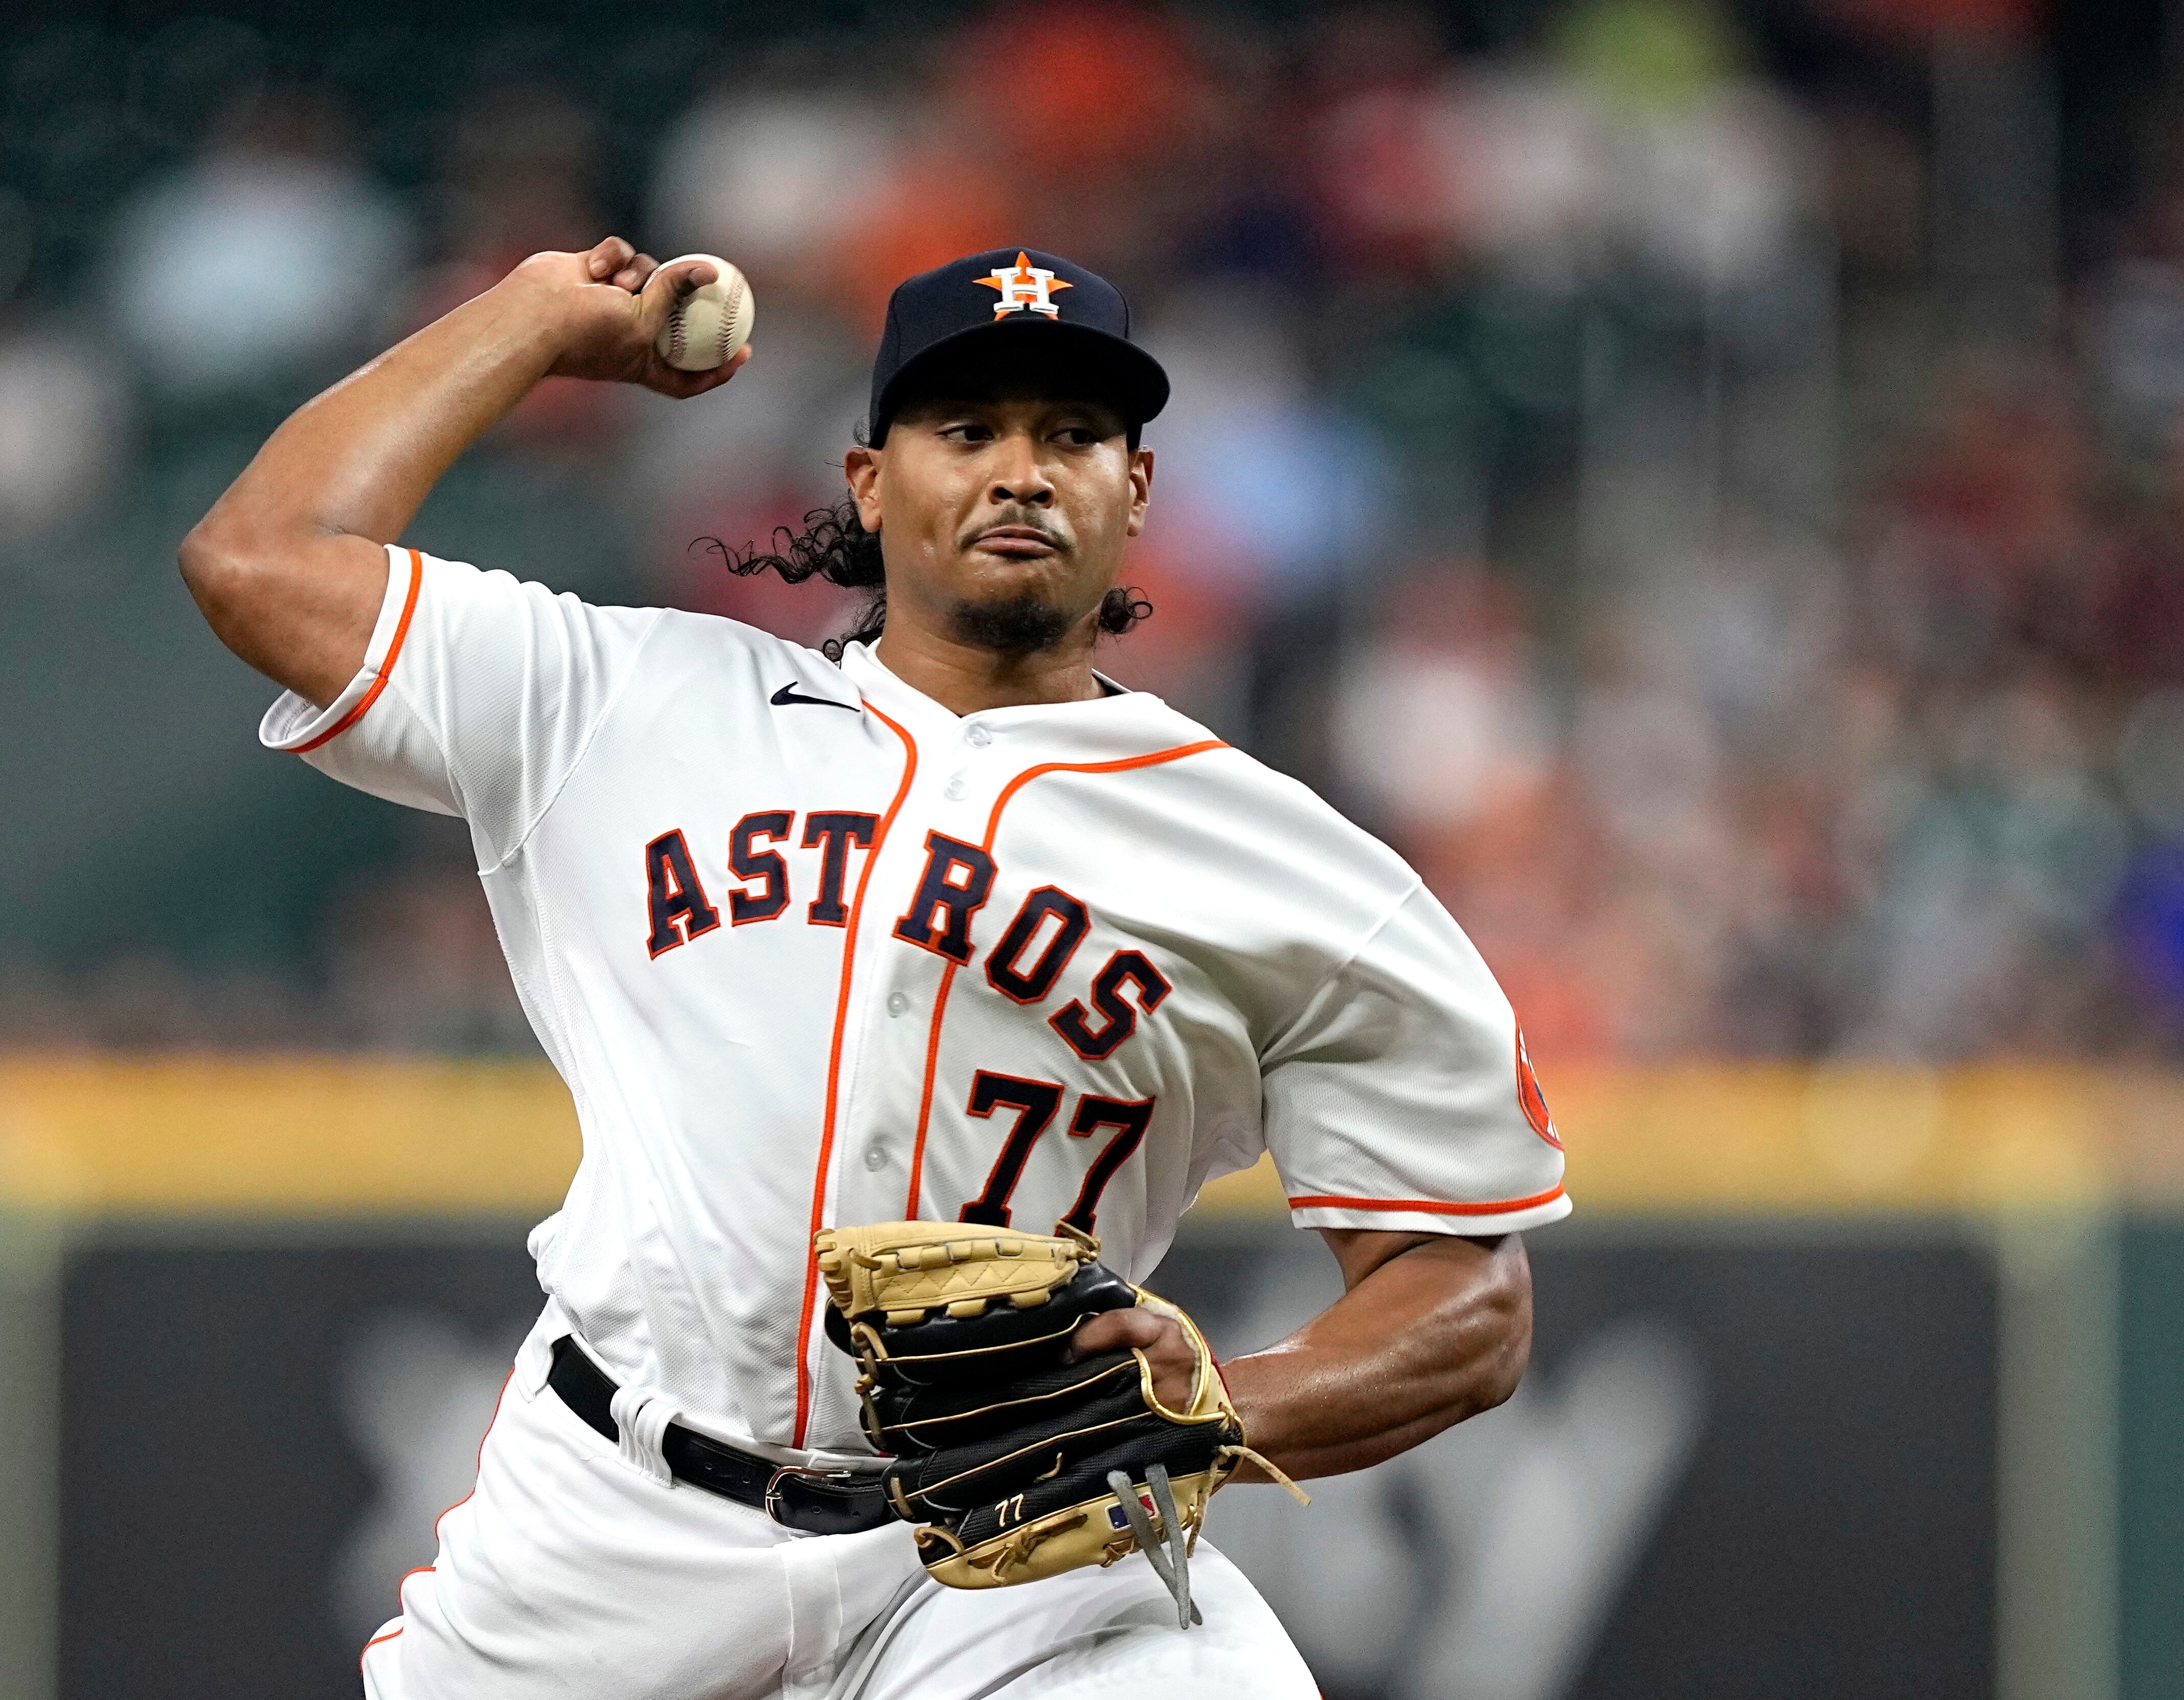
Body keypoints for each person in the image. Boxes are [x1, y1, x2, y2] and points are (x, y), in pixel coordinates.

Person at [179, 237, 1569, 1699]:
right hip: (608, 1526)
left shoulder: (1290, 869)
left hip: (1017, 1552)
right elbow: (259, 558)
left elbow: (1467, 1297)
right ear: (868, 482)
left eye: (1075, 436)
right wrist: (526, 322)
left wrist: (1218, 1409)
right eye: (968, 430)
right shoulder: (624, 703)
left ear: (1138, 493)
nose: (1022, 472)